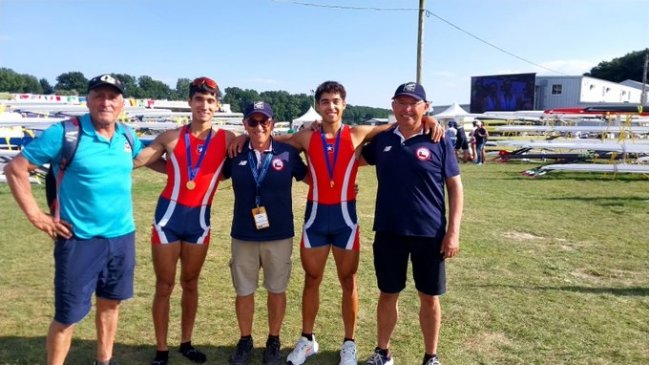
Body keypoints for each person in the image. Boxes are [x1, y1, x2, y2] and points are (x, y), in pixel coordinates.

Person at [3, 74, 144, 365]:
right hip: (79, 240)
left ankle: (103, 361)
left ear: (122, 103)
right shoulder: (65, 133)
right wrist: (38, 217)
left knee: (110, 305)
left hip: (121, 238)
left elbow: (152, 158)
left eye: (112, 96)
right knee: (68, 316)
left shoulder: (127, 136)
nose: (105, 102)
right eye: (99, 96)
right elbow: (17, 169)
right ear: (88, 100)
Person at [134, 76, 236, 365]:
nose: (204, 105)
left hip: (199, 222)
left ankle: (186, 342)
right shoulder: (171, 137)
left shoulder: (228, 138)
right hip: (168, 218)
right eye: (199, 99)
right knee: (164, 285)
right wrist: (172, 170)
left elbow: (255, 145)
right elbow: (140, 159)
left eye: (210, 100)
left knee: (190, 283)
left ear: (217, 105)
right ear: (190, 102)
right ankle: (162, 349)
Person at [360, 82, 464, 365]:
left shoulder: (438, 139)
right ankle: (383, 352)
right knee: (387, 293)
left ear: (425, 106)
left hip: (429, 234)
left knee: (429, 297)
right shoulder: (382, 140)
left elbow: (455, 187)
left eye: (414, 103)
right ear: (392, 106)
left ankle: (431, 356)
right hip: (389, 230)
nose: (407, 109)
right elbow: (350, 157)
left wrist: (453, 232)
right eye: (401, 103)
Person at [223, 101, 307, 365]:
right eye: (253, 122)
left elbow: (312, 179)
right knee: (244, 291)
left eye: (264, 121)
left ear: (272, 123)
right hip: (243, 235)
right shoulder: (235, 153)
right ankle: (245, 339)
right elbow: (211, 177)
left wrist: (345, 191)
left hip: (279, 235)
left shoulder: (288, 153)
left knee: (276, 289)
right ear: (244, 124)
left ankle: (273, 339)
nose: (259, 126)